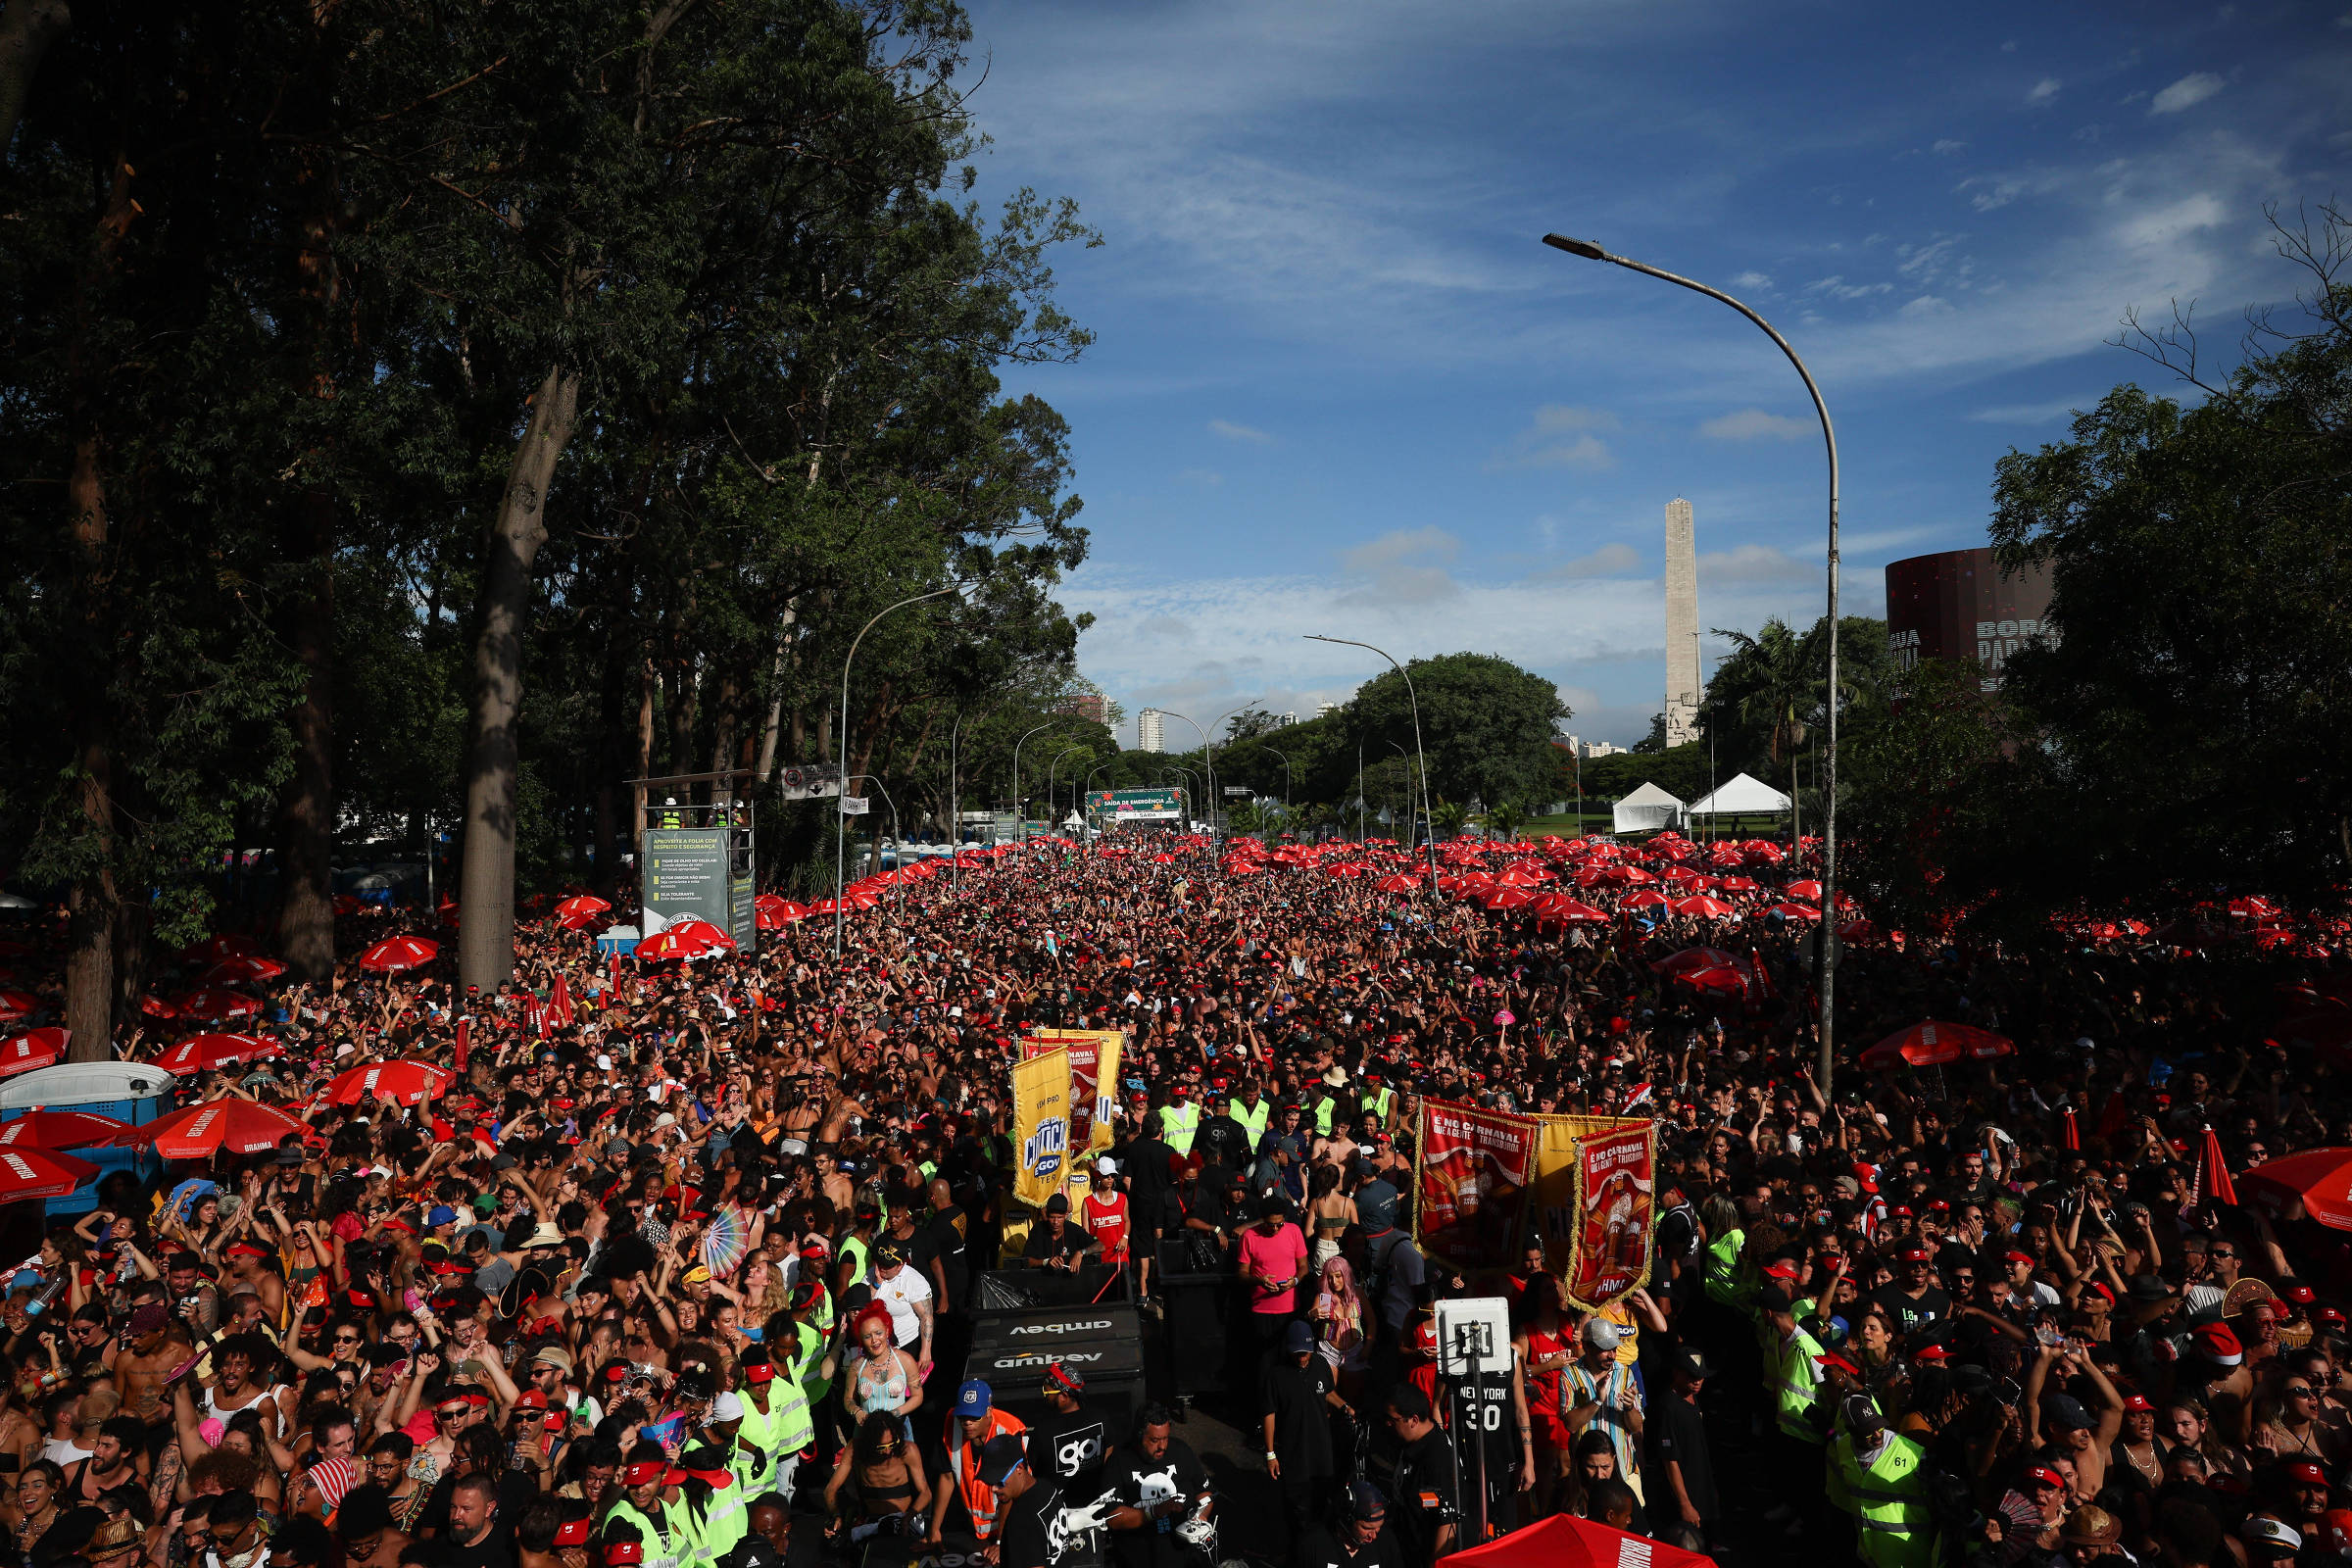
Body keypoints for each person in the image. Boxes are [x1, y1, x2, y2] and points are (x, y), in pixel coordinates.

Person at [1262, 1317, 1344, 1552]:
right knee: (1297, 1508)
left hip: (1321, 1451)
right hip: (1293, 1453)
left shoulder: (1319, 1364)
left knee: (1323, 1503)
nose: (1302, 1357)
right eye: (1298, 1352)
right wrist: (1270, 1454)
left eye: (1306, 1352)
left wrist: (1344, 1406)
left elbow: (1326, 1392)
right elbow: (1269, 1414)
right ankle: (1298, 1552)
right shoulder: (1276, 1376)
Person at [1103, 1403, 1212, 1568]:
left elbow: (1204, 1492)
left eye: (1165, 1438)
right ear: (1139, 1435)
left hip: (1183, 1554)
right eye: (1154, 1440)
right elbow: (1113, 1517)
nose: (1162, 1446)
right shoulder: (1118, 1461)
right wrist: (1153, 1512)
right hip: (1138, 1557)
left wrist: (1201, 1517)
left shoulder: (1181, 1451)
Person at [1383, 1386, 1456, 1568]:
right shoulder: (1411, 1441)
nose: (1388, 1424)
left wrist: (1435, 1564)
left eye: (1393, 1420)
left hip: (1426, 1553)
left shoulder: (1438, 1457)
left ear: (1414, 1420)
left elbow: (1448, 1522)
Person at [1297, 1481, 1406, 1568]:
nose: (1373, 1536)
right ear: (1348, 1520)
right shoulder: (1313, 1543)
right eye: (1366, 1528)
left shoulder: (1386, 1541)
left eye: (1378, 1528)